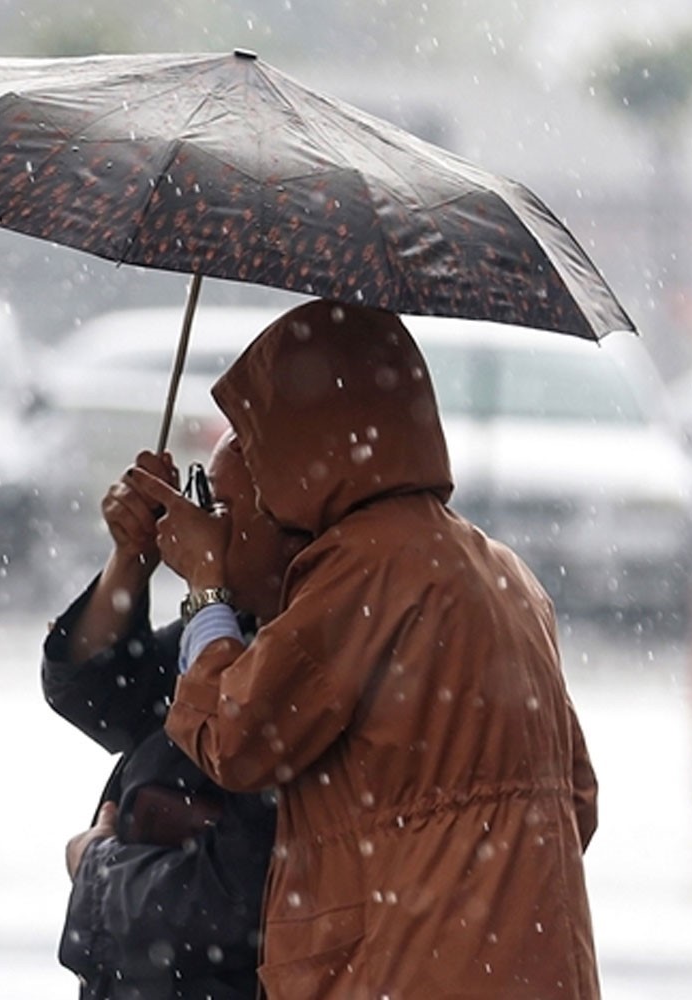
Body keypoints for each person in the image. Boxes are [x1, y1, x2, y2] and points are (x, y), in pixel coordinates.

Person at [128, 299, 601, 999]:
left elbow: (235, 736)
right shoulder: (499, 570)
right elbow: (579, 799)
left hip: (409, 975)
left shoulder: (363, 568)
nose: (223, 529)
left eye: (230, 505)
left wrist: (204, 587)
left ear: (296, 465)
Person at [44, 436, 308, 1000]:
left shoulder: (301, 664)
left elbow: (231, 902)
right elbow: (95, 694)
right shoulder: (238, 625)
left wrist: (96, 871)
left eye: (216, 508)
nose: (194, 523)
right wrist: (130, 563)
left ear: (292, 534)